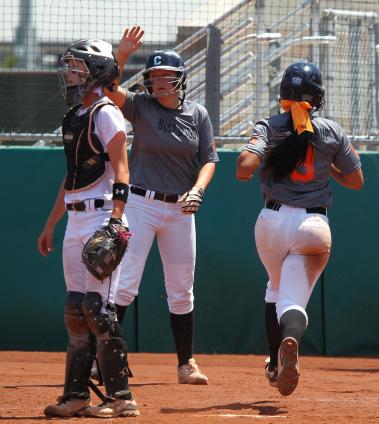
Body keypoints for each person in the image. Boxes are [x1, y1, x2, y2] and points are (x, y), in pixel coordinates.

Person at [236, 61, 364, 396]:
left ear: (283, 94)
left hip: (272, 222)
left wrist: (258, 154)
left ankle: (274, 362)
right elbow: (356, 181)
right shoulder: (332, 130)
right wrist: (330, 168)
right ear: (318, 97)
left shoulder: (269, 124)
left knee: (275, 290)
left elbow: (243, 169)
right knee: (291, 301)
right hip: (313, 224)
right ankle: (289, 341)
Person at [103, 26, 218, 384]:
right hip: (141, 203)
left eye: (165, 75)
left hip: (181, 209)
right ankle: (102, 360)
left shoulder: (197, 114)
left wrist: (198, 189)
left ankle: (186, 364)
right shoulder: (141, 107)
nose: (157, 81)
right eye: (152, 76)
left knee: (182, 288)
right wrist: (121, 56)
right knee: (124, 284)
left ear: (181, 79)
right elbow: (109, 90)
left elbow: (209, 159)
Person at [37, 39, 139, 418]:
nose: (69, 74)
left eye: (77, 67)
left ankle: (122, 398)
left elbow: (123, 169)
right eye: (69, 67)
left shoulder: (105, 113)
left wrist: (116, 219)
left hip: (101, 217)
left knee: (98, 309)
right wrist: (51, 225)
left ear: (96, 71)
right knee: (75, 310)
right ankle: (76, 396)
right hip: (76, 218)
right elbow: (71, 178)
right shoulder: (74, 116)